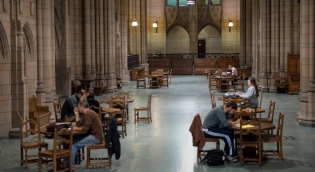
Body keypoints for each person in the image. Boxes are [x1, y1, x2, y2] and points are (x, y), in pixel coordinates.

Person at [67, 99, 104, 169]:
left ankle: (71, 166)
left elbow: (85, 128)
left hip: (96, 137)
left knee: (74, 145)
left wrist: (75, 129)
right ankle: (68, 164)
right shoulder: (87, 113)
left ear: (81, 107)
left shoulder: (89, 114)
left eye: (78, 107)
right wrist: (77, 114)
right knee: (73, 142)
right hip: (93, 135)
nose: (78, 108)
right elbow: (79, 124)